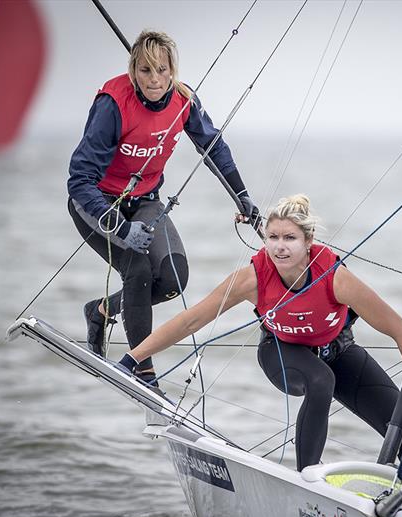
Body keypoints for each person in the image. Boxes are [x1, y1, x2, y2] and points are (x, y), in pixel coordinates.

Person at [121, 194, 402, 470]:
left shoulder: (336, 278)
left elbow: (401, 331)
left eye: (290, 238)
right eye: (272, 237)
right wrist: (132, 359)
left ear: (309, 241)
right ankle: (309, 479)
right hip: (280, 351)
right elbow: (190, 321)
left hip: (338, 349)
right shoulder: (252, 279)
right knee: (320, 380)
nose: (279, 246)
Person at [67, 30, 259, 386]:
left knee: (173, 279)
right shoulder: (113, 103)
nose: (154, 80)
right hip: (98, 203)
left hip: (145, 202)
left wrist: (242, 195)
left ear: (173, 71)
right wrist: (122, 230)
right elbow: (79, 179)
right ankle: (143, 371)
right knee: (137, 270)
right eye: (145, 71)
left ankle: (101, 311)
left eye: (162, 70)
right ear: (133, 71)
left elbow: (213, 147)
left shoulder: (184, 100)